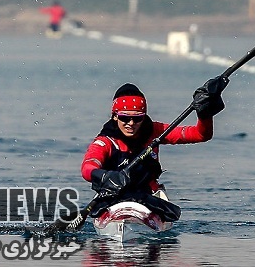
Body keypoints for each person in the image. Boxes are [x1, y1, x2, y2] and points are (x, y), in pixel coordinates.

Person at [80, 76, 229, 222]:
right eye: (125, 118)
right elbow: (88, 167)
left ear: (144, 117)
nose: (131, 123)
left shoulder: (156, 132)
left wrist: (204, 114)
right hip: (113, 196)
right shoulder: (105, 141)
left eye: (137, 118)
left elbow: (200, 135)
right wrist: (105, 176)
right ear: (115, 117)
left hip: (148, 196)